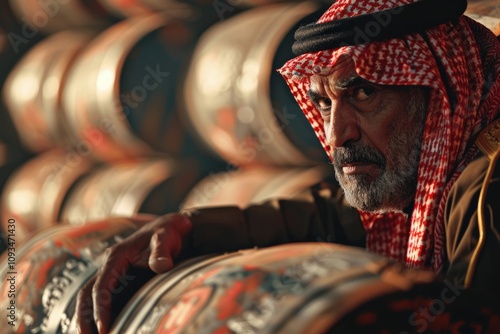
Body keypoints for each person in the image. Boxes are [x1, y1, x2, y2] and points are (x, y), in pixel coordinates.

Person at [76, 0, 500, 332]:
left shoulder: (486, 187)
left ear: (442, 86)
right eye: (322, 102)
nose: (337, 135)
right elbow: (332, 214)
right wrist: (187, 228)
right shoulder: (426, 175)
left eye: (364, 94)